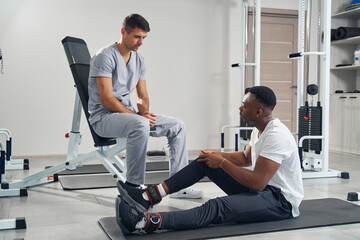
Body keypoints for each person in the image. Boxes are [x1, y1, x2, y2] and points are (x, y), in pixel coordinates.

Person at [115, 86, 304, 234]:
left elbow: (257, 184)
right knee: (205, 161)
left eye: (244, 106)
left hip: (280, 202)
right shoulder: (259, 129)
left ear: (258, 112)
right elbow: (246, 158)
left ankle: (144, 222)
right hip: (264, 191)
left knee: (217, 206)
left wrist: (221, 163)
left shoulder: (276, 136)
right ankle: (149, 196)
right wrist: (215, 155)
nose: (240, 108)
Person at [88, 13, 203, 199]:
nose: (141, 42)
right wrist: (138, 118)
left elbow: (142, 96)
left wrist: (144, 112)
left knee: (177, 126)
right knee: (140, 124)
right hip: (103, 118)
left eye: (144, 38)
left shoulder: (139, 59)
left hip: (130, 116)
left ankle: (179, 185)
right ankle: (134, 187)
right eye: (137, 37)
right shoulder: (105, 56)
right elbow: (107, 99)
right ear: (123, 32)